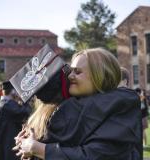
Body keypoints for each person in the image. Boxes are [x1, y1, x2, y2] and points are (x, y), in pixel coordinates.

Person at [13, 47, 142, 160]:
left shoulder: (120, 105)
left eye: (77, 72)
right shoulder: (62, 108)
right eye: (70, 71)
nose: (69, 76)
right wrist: (29, 146)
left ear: (101, 75)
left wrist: (37, 148)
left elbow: (95, 155)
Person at [0, 81, 32, 160]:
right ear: (13, 92)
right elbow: (26, 112)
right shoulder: (8, 105)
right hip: (8, 150)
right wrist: (24, 100)